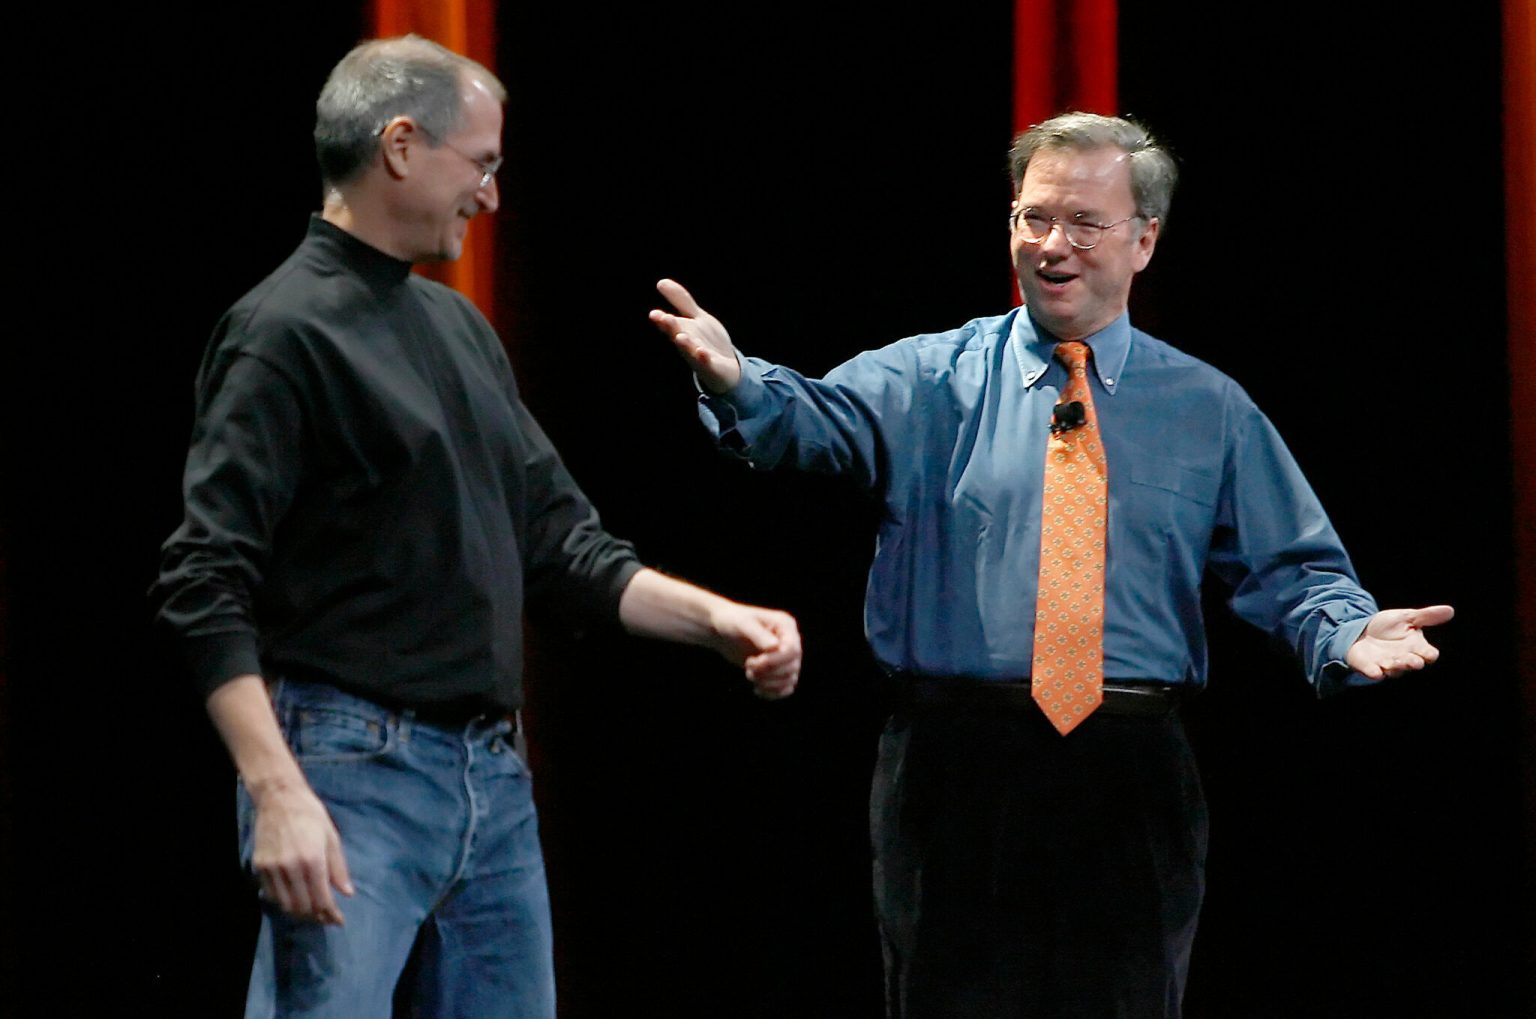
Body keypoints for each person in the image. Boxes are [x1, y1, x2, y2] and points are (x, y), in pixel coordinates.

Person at [648, 111, 1451, 1018]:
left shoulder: (1207, 407)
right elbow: (810, 420)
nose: (1052, 245)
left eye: (1084, 223)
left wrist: (1349, 630)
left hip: (1128, 771)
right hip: (954, 767)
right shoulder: (930, 376)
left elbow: (1294, 569)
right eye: (1034, 218)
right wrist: (735, 378)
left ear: (1144, 240)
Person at [151, 35, 801, 1019]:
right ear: (401, 146)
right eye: (481, 164)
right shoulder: (283, 331)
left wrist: (720, 621)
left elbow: (563, 546)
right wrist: (277, 791)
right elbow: (204, 579)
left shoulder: (459, 330)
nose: (492, 196)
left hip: (491, 783)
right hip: (347, 772)